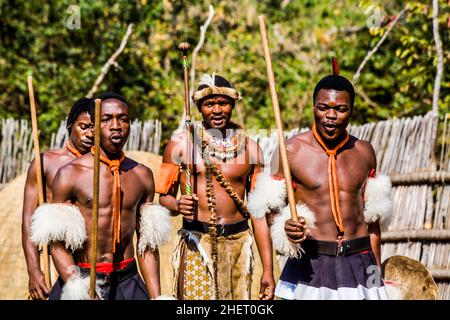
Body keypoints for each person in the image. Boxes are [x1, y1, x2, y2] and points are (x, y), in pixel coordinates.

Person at [248, 60, 393, 300]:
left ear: (351, 110)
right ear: (313, 107)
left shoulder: (364, 151)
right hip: (311, 264)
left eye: (340, 109)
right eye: (323, 107)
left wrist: (375, 270)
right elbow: (268, 210)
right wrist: (285, 227)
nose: (331, 116)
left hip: (360, 261)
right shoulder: (290, 151)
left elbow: (373, 221)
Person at [30, 92, 171, 300]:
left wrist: (156, 296)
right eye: (106, 119)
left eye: (123, 119)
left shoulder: (142, 175)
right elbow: (56, 243)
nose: (116, 126)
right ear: (94, 127)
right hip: (81, 278)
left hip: (127, 281)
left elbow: (147, 245)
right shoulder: (70, 174)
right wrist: (77, 286)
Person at [157, 74, 275, 300]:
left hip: (239, 245)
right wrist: (178, 204)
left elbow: (259, 212)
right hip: (196, 243)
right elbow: (164, 199)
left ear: (232, 105)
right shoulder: (180, 144)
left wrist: (268, 270)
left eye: (223, 103)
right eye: (210, 104)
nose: (217, 110)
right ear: (200, 107)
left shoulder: (251, 149)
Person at [22, 97, 95, 300]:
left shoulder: (102, 167)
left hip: (96, 263)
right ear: (70, 126)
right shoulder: (46, 162)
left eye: (95, 129)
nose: (90, 134)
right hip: (56, 262)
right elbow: (29, 220)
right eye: (84, 126)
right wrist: (34, 271)